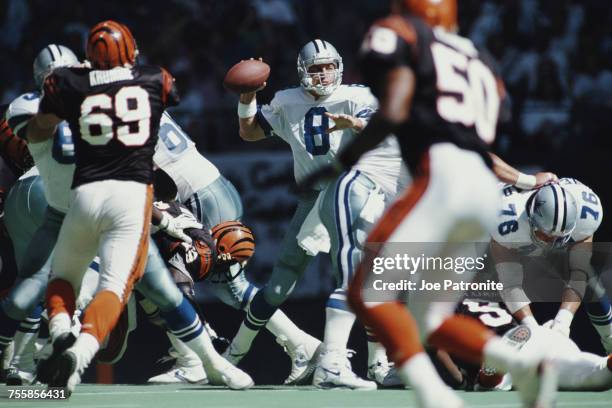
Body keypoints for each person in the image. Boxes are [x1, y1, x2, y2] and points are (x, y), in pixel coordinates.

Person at [306, 1, 559, 407]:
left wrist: (344, 159)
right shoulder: (481, 58)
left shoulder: (405, 35)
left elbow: (395, 105)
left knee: (366, 292)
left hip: (440, 177)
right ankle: (522, 364)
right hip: (482, 189)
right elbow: (491, 124)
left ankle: (432, 394)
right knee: (431, 319)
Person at [21, 21, 244, 394]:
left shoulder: (66, 86)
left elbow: (38, 130)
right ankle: (80, 354)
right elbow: (165, 93)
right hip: (130, 198)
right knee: (115, 288)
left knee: (63, 278)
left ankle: (60, 330)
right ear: (130, 54)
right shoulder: (155, 80)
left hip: (84, 195)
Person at [231, 39, 407, 389]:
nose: (324, 74)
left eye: (329, 66)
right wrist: (246, 97)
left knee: (362, 272)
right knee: (281, 282)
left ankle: (376, 363)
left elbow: (379, 127)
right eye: (316, 68)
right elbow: (249, 133)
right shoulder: (286, 100)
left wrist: (353, 124)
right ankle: (232, 356)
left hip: (356, 190)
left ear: (339, 67)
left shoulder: (358, 96)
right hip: (314, 197)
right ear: (302, 72)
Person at [147, 114, 322, 385]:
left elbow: (154, 175)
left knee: (186, 278)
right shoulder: (137, 93)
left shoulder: (114, 102)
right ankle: (301, 344)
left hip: (197, 195)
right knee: (214, 284)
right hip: (209, 187)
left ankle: (192, 360)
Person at [490, 178, 611, 352]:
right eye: (546, 235)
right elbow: (510, 284)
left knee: (590, 282)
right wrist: (532, 328)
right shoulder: (505, 219)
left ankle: (610, 341)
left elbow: (578, 273)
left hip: (532, 235)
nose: (551, 242)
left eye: (558, 237)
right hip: (506, 239)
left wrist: (563, 323)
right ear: (531, 218)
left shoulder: (586, 213)